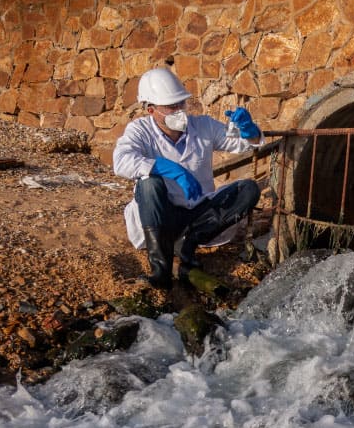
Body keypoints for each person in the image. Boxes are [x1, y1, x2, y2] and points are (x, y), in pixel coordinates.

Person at [113, 66, 263, 289]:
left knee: (248, 189)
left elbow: (242, 144)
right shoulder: (139, 130)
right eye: (171, 107)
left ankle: (189, 245)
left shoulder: (203, 126)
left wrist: (249, 131)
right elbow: (122, 161)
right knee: (148, 184)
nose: (179, 111)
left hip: (198, 213)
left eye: (181, 104)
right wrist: (169, 169)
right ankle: (160, 269)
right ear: (151, 110)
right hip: (164, 216)